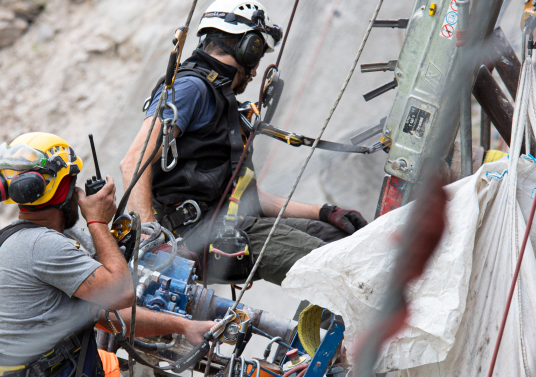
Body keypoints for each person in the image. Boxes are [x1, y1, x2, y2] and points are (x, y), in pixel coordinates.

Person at [0, 132, 214, 377]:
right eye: (72, 183)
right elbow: (120, 294)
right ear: (59, 188)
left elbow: (108, 317)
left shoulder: (11, 241)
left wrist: (184, 326)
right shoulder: (43, 246)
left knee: (110, 368)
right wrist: (97, 221)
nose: (78, 193)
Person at [120, 0, 368, 286]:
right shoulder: (191, 88)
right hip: (201, 236)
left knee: (345, 240)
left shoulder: (217, 96)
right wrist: (155, 242)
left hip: (236, 224)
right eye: (259, 53)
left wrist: (325, 212)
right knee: (342, 271)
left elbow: (248, 196)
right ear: (247, 47)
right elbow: (133, 162)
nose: (256, 68)